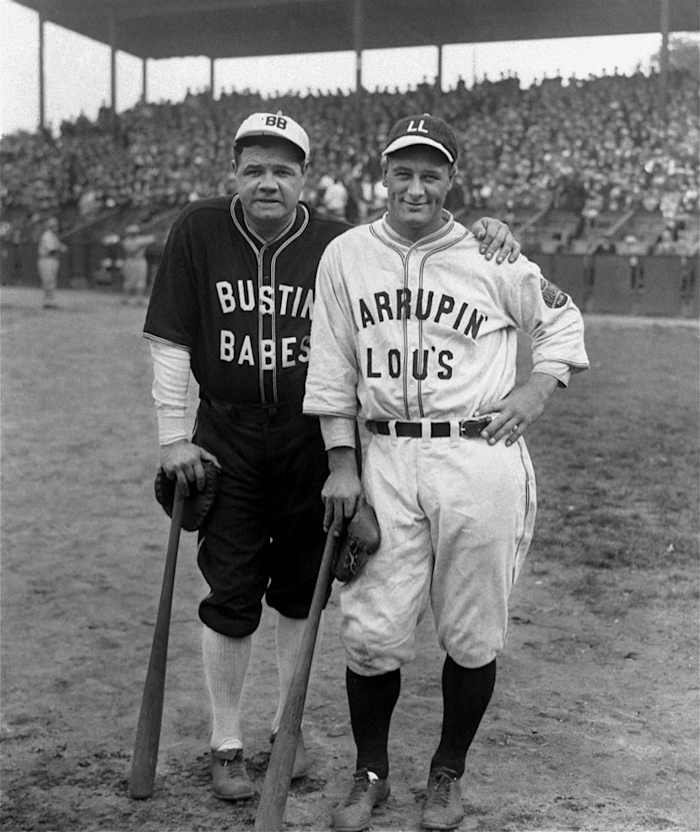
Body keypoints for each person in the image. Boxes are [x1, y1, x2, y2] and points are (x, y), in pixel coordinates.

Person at [142, 111, 522, 803]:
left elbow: (419, 255)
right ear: (234, 171)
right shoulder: (198, 229)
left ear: (304, 178)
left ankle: (288, 731)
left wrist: (488, 230)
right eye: (255, 168)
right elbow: (170, 339)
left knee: (300, 589)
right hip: (224, 434)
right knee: (230, 594)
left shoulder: (336, 243)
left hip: (309, 437)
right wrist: (173, 436)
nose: (268, 182)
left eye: (283, 170)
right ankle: (227, 740)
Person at [303, 113, 590, 831]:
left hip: (477, 454)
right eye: (403, 171)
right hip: (386, 455)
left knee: (471, 630)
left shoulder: (493, 255)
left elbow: (562, 321)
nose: (415, 185)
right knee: (370, 631)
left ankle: (447, 772)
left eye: (431, 173)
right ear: (385, 175)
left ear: (450, 181)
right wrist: (342, 465)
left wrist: (535, 388)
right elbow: (332, 367)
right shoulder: (345, 255)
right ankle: (371, 772)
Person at [121, 224, 156, 305]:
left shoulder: (136, 240)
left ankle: (138, 298)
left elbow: (152, 238)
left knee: (140, 281)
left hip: (138, 261)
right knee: (130, 281)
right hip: (132, 261)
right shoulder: (128, 241)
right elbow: (151, 239)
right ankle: (126, 298)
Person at [37, 217, 67, 308]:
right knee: (48, 281)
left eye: (56, 225)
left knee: (51, 281)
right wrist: (60, 247)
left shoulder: (54, 236)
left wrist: (61, 246)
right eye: (54, 225)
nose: (56, 227)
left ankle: (49, 301)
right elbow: (52, 250)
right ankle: (47, 302)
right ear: (50, 226)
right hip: (46, 260)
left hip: (52, 260)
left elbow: (60, 247)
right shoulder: (47, 235)